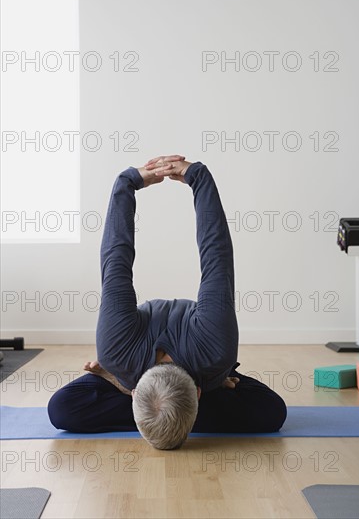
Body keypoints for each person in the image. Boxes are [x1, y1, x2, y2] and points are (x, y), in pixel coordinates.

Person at [48, 156, 287, 448]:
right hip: (203, 363)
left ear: (131, 392)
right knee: (270, 413)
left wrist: (127, 183)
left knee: (61, 410)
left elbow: (117, 258)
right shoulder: (215, 350)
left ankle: (167, 410)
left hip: (144, 365)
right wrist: (197, 177)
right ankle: (187, 403)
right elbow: (216, 256)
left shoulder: (116, 351)